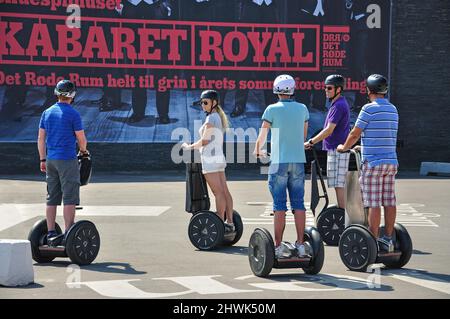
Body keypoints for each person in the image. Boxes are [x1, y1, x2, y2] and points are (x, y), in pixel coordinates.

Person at [337, 74, 398, 252]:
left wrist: (344, 147)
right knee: (389, 201)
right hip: (391, 162)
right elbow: (382, 135)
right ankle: (388, 239)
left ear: (368, 90)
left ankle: (373, 242)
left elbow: (355, 133)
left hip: (373, 163)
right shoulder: (393, 109)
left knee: (373, 203)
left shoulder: (368, 109)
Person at [254, 74, 310, 258]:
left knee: (279, 206)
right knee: (299, 204)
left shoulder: (272, 109)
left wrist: (258, 150)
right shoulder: (302, 109)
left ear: (276, 89)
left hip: (278, 162)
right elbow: (302, 137)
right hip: (298, 162)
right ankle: (301, 245)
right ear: (292, 89)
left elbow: (263, 135)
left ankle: (278, 247)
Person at [37, 80, 89, 246]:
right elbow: (81, 138)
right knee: (69, 198)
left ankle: (50, 232)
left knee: (51, 197)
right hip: (67, 159)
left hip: (50, 160)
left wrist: (42, 159)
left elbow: (41, 138)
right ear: (72, 95)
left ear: (56, 92)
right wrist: (83, 151)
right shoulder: (73, 114)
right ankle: (68, 234)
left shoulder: (47, 112)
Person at [181, 90, 235, 231]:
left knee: (218, 193)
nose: (203, 105)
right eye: (201, 103)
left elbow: (204, 140)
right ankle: (230, 222)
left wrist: (188, 147)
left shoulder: (211, 118)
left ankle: (219, 219)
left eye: (205, 102)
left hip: (210, 159)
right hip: (218, 157)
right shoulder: (218, 117)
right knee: (224, 191)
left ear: (214, 103)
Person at [305, 74, 350, 209]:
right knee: (337, 183)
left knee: (338, 184)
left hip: (337, 150)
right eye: (325, 88)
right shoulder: (337, 104)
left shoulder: (338, 106)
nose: (326, 90)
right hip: (335, 149)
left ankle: (343, 214)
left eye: (329, 88)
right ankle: (342, 211)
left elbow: (329, 130)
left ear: (338, 89)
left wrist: (311, 141)